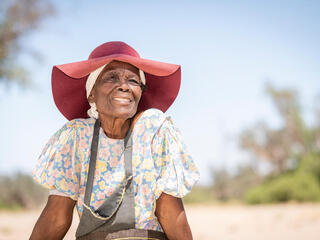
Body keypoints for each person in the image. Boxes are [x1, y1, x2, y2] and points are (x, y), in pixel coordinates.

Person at [30, 41, 200, 240]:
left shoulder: (153, 129)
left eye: (133, 81)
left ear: (140, 93)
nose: (124, 86)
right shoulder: (77, 137)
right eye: (111, 77)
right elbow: (56, 216)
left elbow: (169, 212)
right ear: (92, 93)